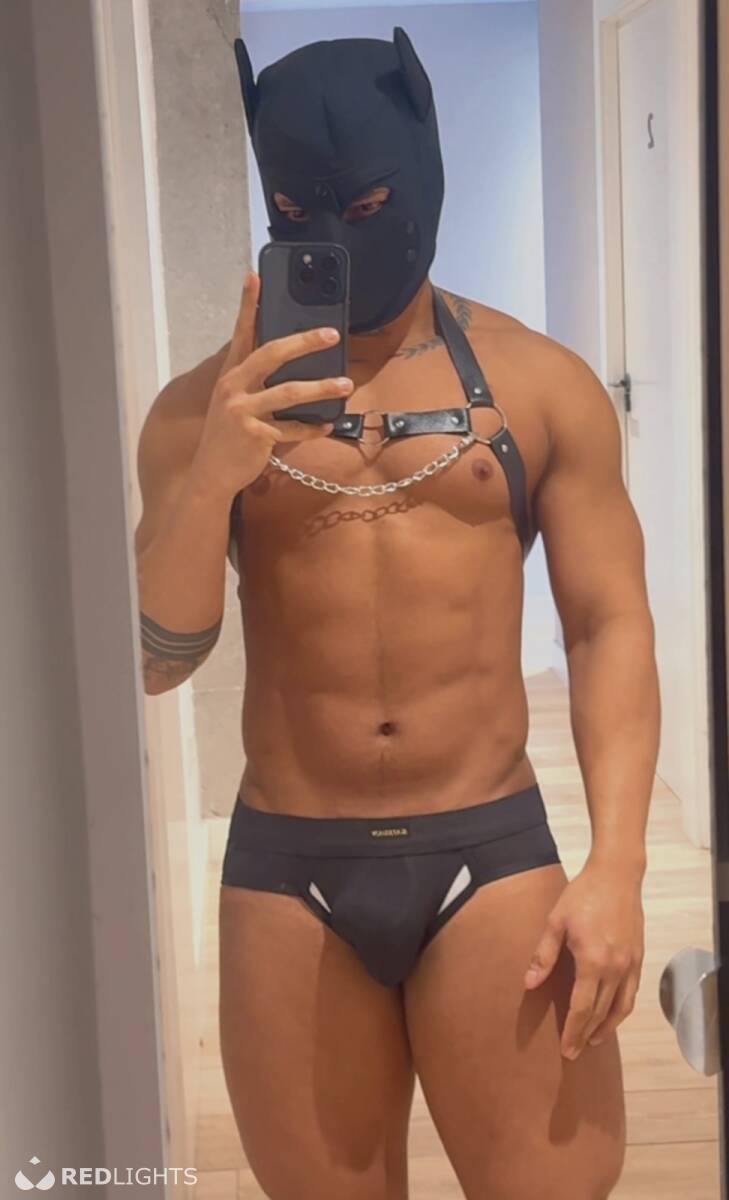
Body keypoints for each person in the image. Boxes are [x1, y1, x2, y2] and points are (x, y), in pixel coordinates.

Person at [134, 28, 659, 1200]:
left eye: (368, 203)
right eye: (296, 209)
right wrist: (213, 476)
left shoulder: (539, 385)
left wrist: (618, 864)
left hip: (490, 851)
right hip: (290, 866)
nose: (338, 231)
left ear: (419, 176)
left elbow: (607, 625)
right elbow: (160, 658)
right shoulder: (197, 413)